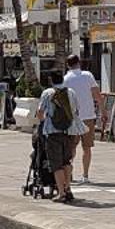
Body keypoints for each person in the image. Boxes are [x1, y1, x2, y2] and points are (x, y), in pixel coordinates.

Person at [38, 69, 76, 202]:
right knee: (67, 162)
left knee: (56, 164)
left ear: (51, 80)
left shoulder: (47, 93)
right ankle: (68, 189)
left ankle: (61, 193)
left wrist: (43, 121)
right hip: (68, 132)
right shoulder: (71, 93)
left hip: (53, 133)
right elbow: (76, 111)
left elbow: (40, 113)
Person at [61, 55, 99, 180]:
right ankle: (85, 175)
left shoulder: (65, 79)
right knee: (87, 148)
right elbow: (96, 95)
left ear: (68, 65)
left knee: (71, 147)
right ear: (79, 63)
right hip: (88, 116)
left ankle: (69, 173)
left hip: (72, 117)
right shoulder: (88, 76)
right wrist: (103, 111)